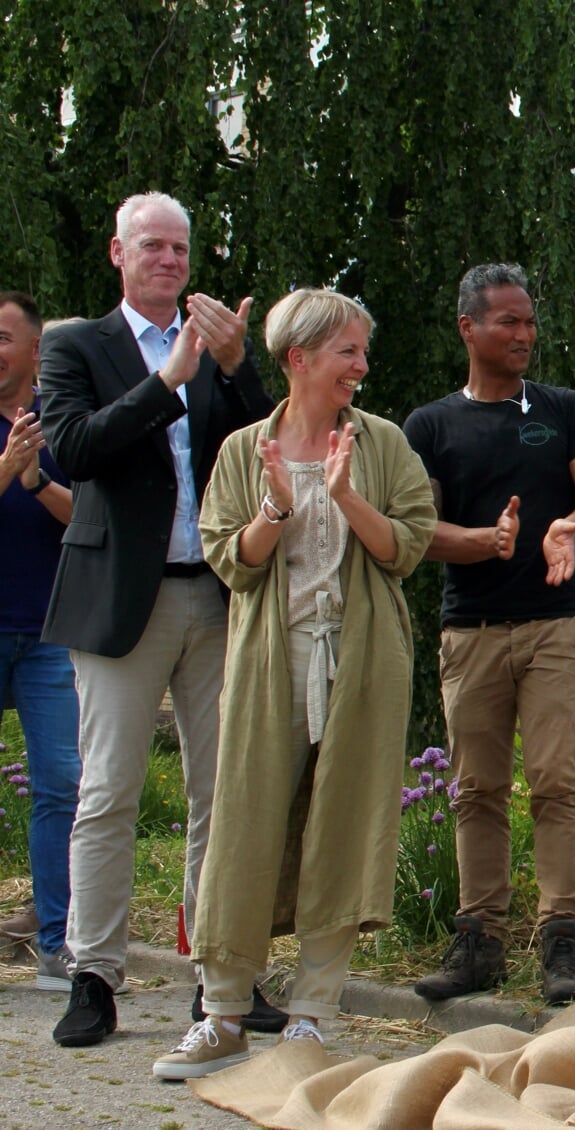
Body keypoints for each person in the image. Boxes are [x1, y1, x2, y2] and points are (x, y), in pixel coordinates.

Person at [151, 287, 436, 1079]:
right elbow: (230, 560)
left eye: (363, 351)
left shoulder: (379, 444)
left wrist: (345, 496)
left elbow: (406, 546)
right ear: (299, 357)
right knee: (244, 824)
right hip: (269, 661)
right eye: (349, 351)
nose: (362, 366)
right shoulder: (246, 449)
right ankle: (224, 1014)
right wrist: (276, 507)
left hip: (361, 660)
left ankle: (312, 1015)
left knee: (342, 826)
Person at [37, 192, 283, 1047]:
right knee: (108, 794)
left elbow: (263, 448)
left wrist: (237, 363)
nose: (171, 261)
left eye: (181, 248)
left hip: (215, 594)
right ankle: (95, 978)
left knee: (223, 796)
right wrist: (167, 381)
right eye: (154, 246)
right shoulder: (77, 345)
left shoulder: (214, 347)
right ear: (118, 252)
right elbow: (73, 447)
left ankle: (220, 979)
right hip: (119, 601)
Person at [404, 263, 575, 1006]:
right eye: (508, 322)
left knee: (557, 781)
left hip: (554, 625)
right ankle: (479, 941)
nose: (524, 334)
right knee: (477, 789)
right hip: (472, 632)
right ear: (469, 328)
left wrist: (567, 527)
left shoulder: (563, 409)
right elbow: (414, 531)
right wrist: (479, 541)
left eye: (529, 321)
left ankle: (563, 940)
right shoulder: (430, 426)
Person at [0, 293, 80, 993]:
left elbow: (86, 516)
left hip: (49, 632)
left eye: (4, 337)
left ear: (33, 352)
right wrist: (5, 470)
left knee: (61, 783)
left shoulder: (62, 425)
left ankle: (56, 943)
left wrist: (35, 476)